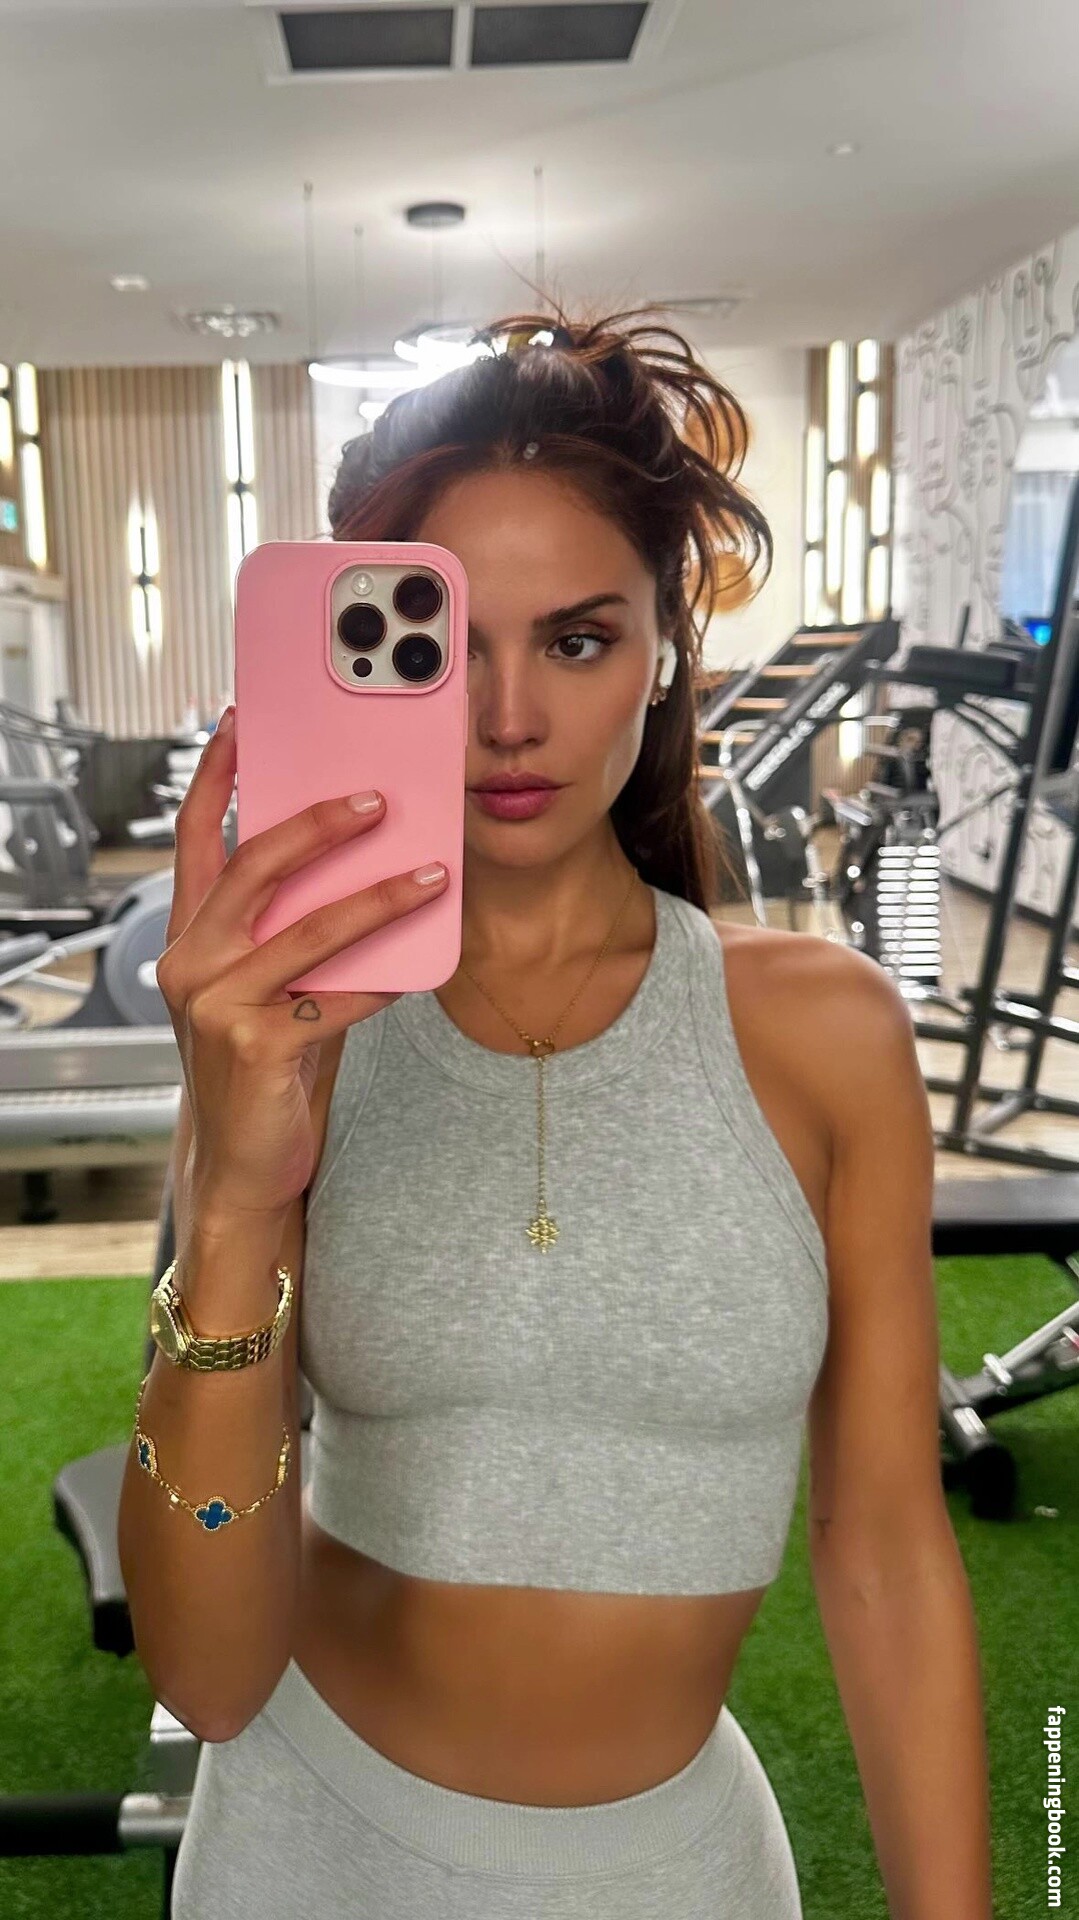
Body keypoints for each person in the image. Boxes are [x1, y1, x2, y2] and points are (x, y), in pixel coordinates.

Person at [119, 305, 993, 1918]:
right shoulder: (299, 1042)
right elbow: (208, 1677)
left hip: (678, 1873)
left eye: (578, 640)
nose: (508, 718)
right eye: (447, 648)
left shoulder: (825, 1037)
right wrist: (236, 1193)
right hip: (309, 1853)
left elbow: (884, 1549)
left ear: (664, 652)